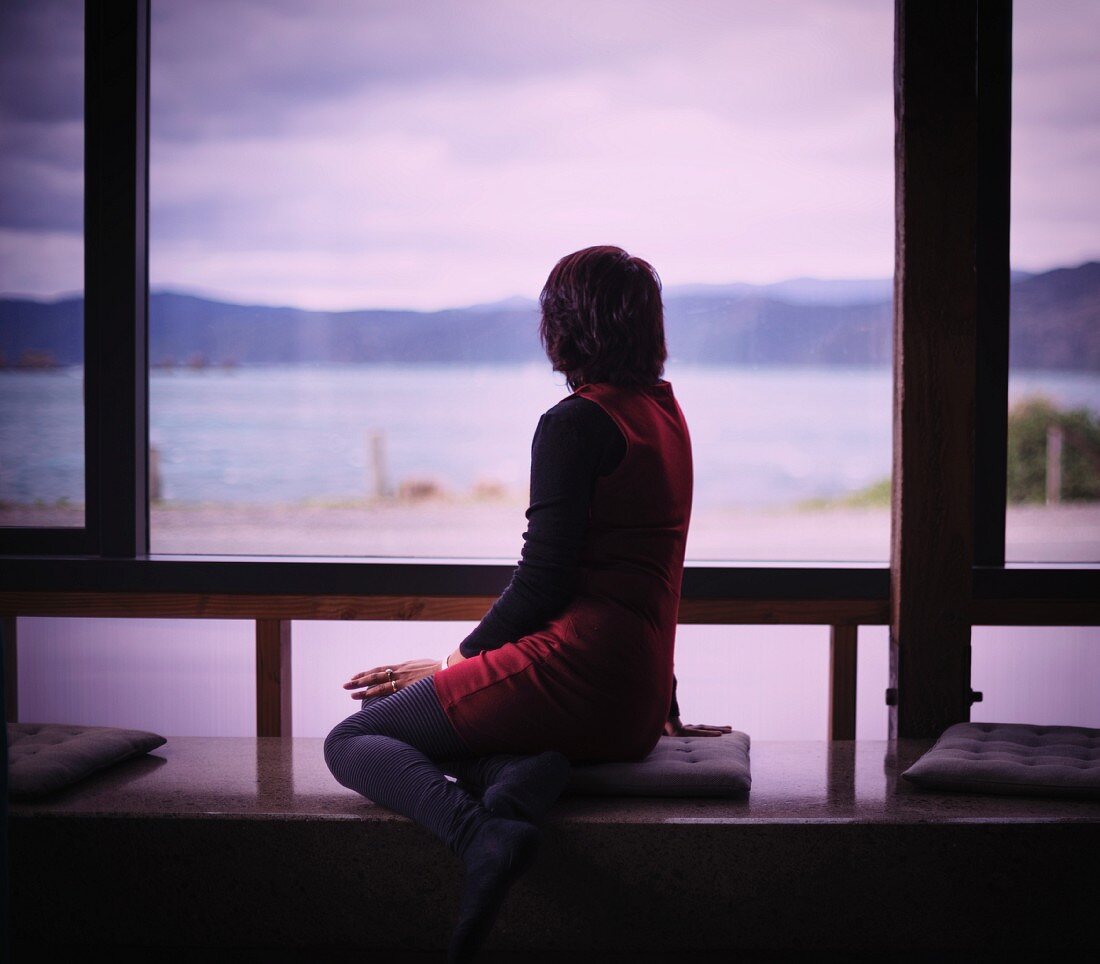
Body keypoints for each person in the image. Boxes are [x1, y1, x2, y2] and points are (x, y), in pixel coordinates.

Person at [323, 245, 730, 962]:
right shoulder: (666, 415)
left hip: (583, 672)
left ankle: (483, 835)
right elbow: (647, 571)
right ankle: (517, 772)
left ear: (564, 325)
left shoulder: (575, 422)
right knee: (409, 722)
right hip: (635, 700)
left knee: (356, 737)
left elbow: (541, 582)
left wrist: (451, 663)